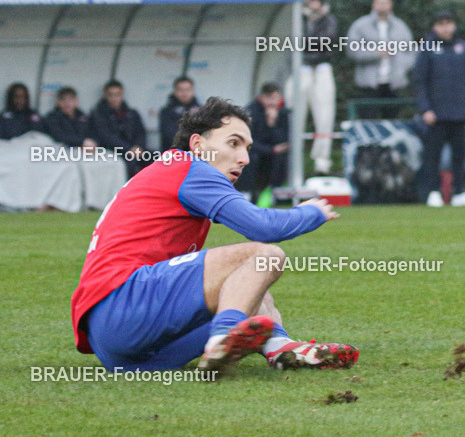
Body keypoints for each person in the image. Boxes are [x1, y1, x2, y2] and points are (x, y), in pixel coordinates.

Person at [70, 97, 356, 374]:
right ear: (198, 144)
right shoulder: (189, 168)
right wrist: (311, 212)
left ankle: (281, 347)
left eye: (247, 147)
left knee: (247, 283)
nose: (243, 158)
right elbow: (262, 227)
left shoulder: (172, 169)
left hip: (115, 340)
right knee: (264, 257)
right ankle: (222, 340)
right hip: (122, 306)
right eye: (233, 143)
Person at [414, 11, 465, 207]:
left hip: (460, 112)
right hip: (436, 113)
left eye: (449, 23)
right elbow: (420, 81)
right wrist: (425, 108)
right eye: (441, 23)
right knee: (433, 156)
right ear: (435, 26)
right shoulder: (427, 48)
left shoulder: (464, 48)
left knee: (459, 155)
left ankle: (459, 192)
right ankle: (433, 192)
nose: (445, 28)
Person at [347, 0, 416, 119]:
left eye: (385, 2)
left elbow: (410, 53)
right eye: (379, 2)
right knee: (368, 123)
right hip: (369, 84)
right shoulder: (360, 26)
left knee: (392, 124)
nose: (382, 6)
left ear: (390, 4)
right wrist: (376, 54)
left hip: (394, 85)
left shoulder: (401, 27)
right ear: (373, 4)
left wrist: (402, 69)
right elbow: (352, 50)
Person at [296, 0, 338, 173]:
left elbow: (328, 40)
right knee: (295, 110)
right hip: (303, 68)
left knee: (325, 114)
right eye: (311, 0)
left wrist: (306, 42)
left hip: (321, 67)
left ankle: (322, 161)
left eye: (317, 0)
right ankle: (294, 158)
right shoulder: (300, 18)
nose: (314, 4)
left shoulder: (329, 20)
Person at [237, 83, 290, 206]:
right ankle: (246, 193)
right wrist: (271, 149)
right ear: (262, 98)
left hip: (271, 153)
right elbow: (248, 140)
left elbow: (283, 140)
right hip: (254, 151)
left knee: (281, 158)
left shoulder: (282, 113)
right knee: (250, 158)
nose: (274, 103)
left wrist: (272, 123)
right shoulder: (250, 112)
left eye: (277, 99)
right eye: (271, 99)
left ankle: (272, 191)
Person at [87, 80, 149, 176]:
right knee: (129, 163)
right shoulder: (98, 114)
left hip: (134, 150)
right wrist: (129, 149)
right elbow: (106, 137)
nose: (114, 98)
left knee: (156, 160)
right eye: (110, 95)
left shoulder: (132, 113)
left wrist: (139, 146)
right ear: (105, 95)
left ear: (122, 95)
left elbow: (141, 132)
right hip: (113, 151)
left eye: (117, 95)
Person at [159, 76, 201, 151]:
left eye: (188, 90)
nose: (184, 93)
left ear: (193, 91)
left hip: (197, 154)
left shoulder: (201, 111)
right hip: (173, 154)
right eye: (180, 90)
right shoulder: (166, 112)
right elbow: (170, 135)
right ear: (175, 91)